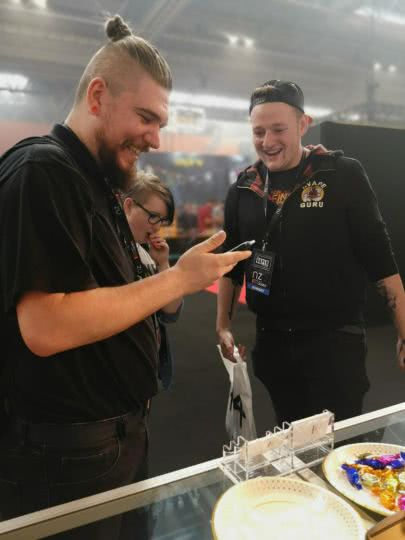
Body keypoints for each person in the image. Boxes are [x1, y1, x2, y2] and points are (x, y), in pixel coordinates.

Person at [0, 14, 251, 539]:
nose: (156, 138)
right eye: (146, 117)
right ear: (97, 96)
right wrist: (178, 279)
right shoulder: (44, 172)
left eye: (160, 122)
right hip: (69, 454)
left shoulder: (90, 180)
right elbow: (46, 325)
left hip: (109, 440)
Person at [216, 79, 405, 427]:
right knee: (290, 433)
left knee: (339, 437)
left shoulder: (341, 174)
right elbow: (231, 265)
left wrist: (404, 330)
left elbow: (380, 258)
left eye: (279, 130)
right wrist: (223, 327)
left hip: (335, 341)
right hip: (272, 342)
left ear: (304, 124)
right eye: (258, 131)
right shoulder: (243, 188)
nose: (267, 142)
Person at [122, 170, 182, 389]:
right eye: (153, 216)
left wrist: (163, 264)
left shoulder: (145, 253)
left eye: (161, 220)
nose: (157, 226)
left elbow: (170, 312)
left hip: (145, 368)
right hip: (122, 372)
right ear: (129, 206)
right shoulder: (111, 255)